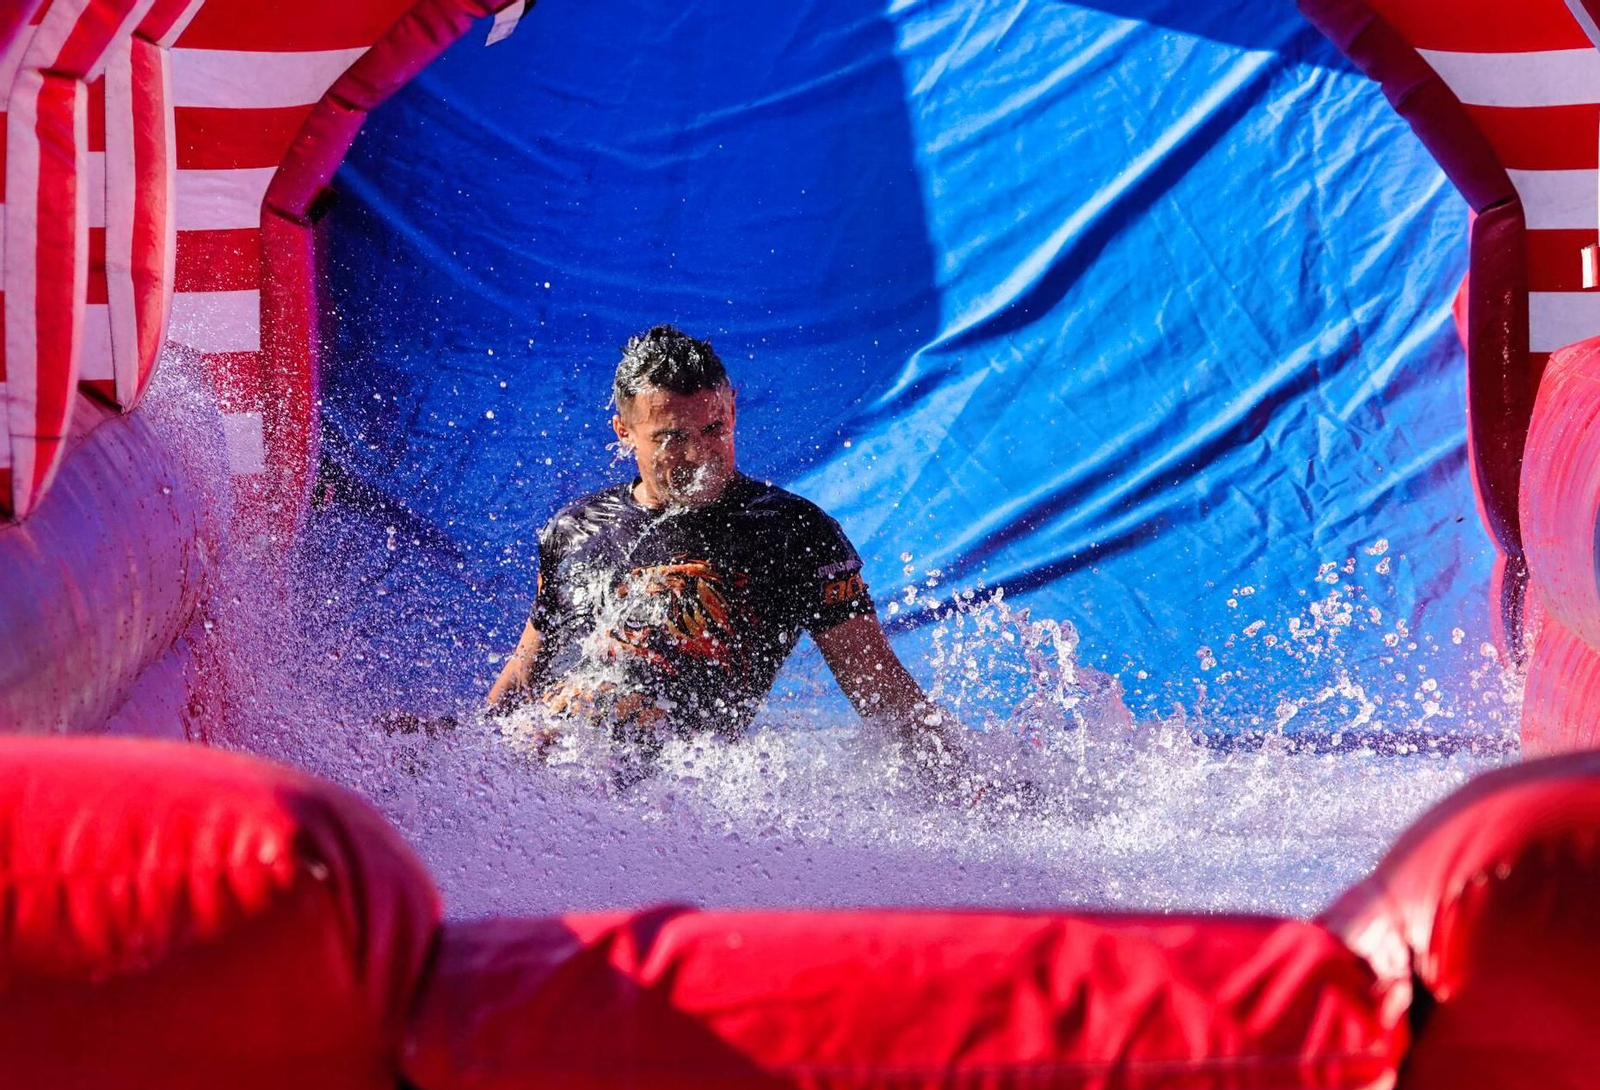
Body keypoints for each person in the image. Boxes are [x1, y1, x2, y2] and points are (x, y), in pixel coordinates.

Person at [487, 324, 968, 786]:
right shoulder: (574, 529)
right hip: (541, 778)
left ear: (733, 410)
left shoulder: (793, 533)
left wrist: (973, 789)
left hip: (663, 802)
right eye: (670, 438)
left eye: (714, 428)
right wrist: (473, 753)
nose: (698, 455)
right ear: (623, 431)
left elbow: (883, 693)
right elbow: (524, 670)